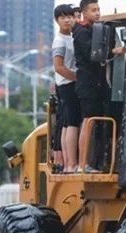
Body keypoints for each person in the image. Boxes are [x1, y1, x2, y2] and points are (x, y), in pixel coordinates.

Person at [73, 0, 124, 173]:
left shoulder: (97, 29)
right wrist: (112, 52)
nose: (97, 13)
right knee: (89, 121)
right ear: (84, 12)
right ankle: (82, 164)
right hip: (87, 83)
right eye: (93, 10)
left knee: (102, 119)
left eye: (98, 10)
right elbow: (92, 54)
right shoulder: (80, 31)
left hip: (99, 83)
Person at [52, 4, 80, 174]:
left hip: (68, 84)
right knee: (72, 124)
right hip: (67, 85)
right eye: (63, 17)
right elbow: (59, 67)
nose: (67, 20)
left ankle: (69, 163)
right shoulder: (60, 41)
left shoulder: (70, 37)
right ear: (57, 21)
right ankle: (71, 164)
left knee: (66, 124)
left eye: (69, 16)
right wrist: (78, 78)